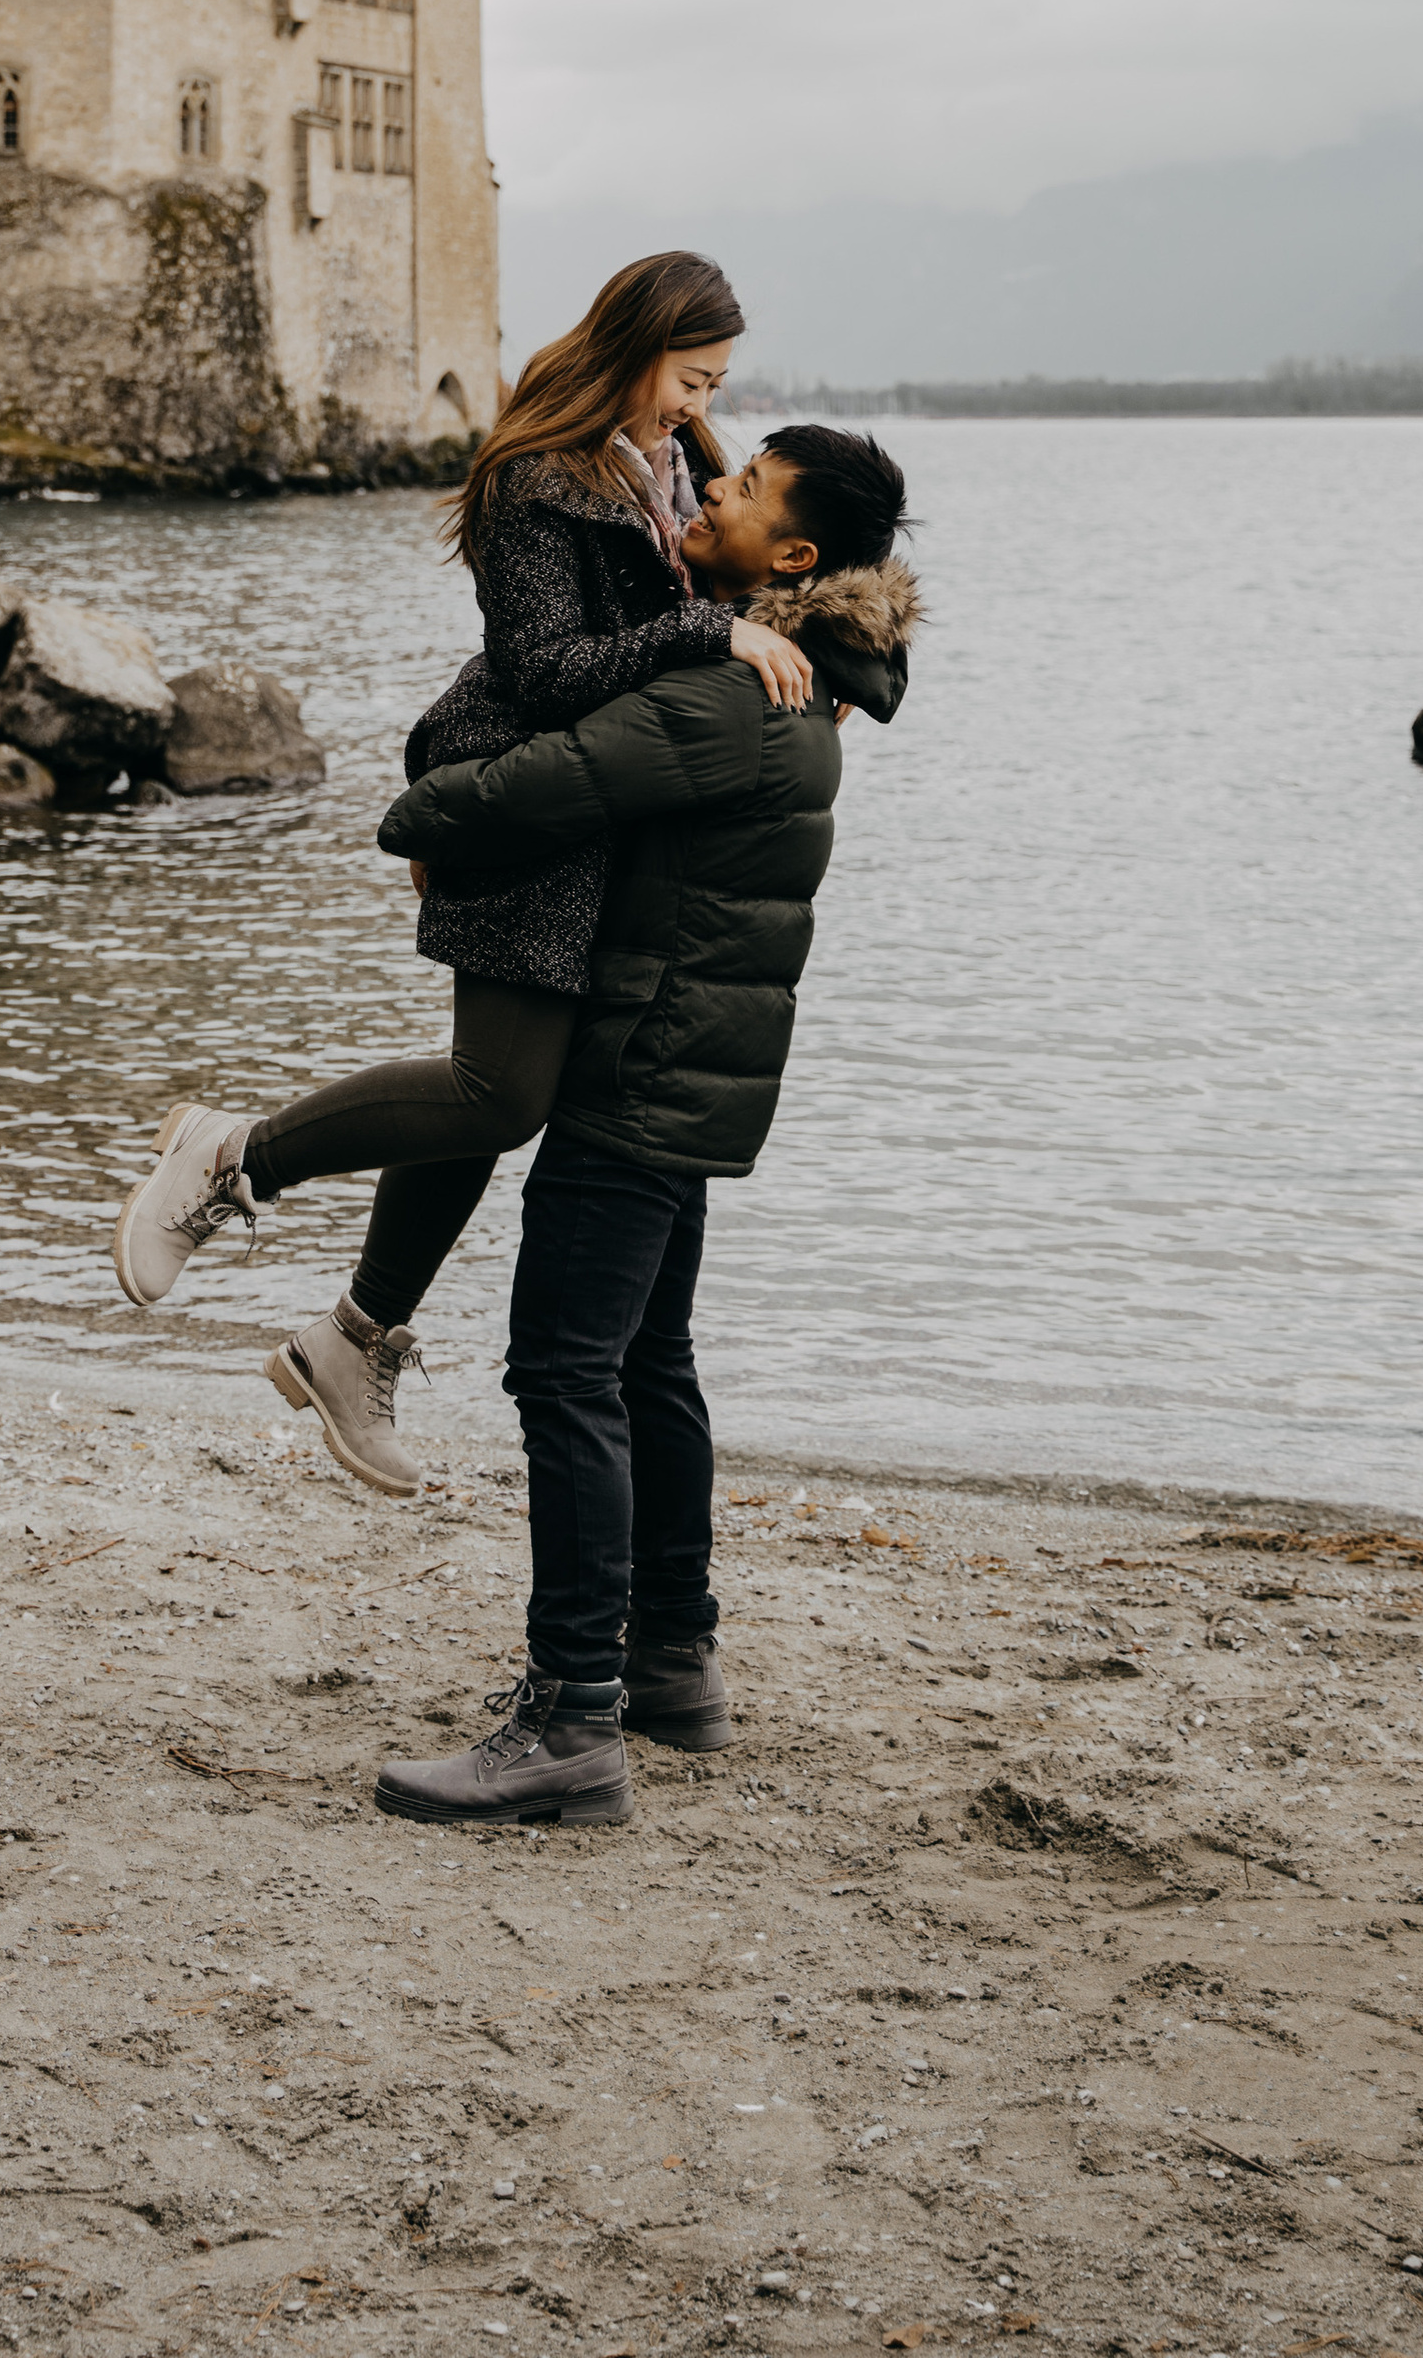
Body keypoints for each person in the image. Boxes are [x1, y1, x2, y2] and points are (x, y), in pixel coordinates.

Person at [109, 254, 819, 1497]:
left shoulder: (663, 458)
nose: (701, 409)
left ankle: (354, 1339)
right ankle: (232, 1157)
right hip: (516, 795)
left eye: (714, 388)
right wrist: (712, 628)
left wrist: (793, 596)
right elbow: (545, 669)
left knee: (489, 1095)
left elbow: (768, 539)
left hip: (590, 815)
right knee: (499, 1094)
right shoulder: (539, 480)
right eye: (691, 378)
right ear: (638, 346)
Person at [360, 423, 919, 1826]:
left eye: (730, 489)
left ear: (793, 556)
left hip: (634, 1068)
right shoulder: (810, 676)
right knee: (649, 1365)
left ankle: (570, 1721)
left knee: (564, 1376)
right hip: (703, 1070)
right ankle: (674, 1665)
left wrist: (416, 811)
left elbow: (506, 793)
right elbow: (730, 538)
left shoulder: (726, 702)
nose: (702, 490)